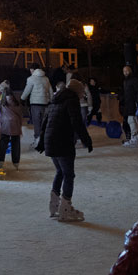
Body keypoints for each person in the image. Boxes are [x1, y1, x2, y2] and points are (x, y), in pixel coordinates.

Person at [36, 79, 93, 222]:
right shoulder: (71, 100)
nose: (82, 96)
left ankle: (54, 205)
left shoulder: (56, 100)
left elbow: (45, 122)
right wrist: (86, 140)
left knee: (60, 172)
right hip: (62, 141)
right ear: (77, 92)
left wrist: (43, 142)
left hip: (52, 142)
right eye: (81, 93)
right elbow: (77, 122)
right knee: (68, 174)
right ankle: (65, 208)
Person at [21, 65, 52, 144]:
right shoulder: (46, 79)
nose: (30, 72)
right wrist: (51, 100)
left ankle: (37, 139)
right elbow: (50, 90)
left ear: (34, 70)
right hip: (45, 103)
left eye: (31, 70)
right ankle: (45, 139)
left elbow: (27, 90)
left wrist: (22, 99)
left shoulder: (31, 79)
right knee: (44, 121)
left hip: (35, 103)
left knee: (36, 121)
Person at [122, 65, 138, 148]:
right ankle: (134, 138)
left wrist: (137, 102)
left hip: (133, 104)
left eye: (127, 71)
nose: (125, 72)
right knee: (131, 121)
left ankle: (135, 140)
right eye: (124, 71)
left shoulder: (134, 80)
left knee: (132, 120)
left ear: (130, 71)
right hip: (128, 104)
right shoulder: (125, 81)